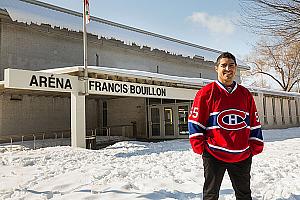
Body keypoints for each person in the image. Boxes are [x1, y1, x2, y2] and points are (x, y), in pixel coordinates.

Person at [188, 52, 264, 200]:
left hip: (241, 154)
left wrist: (254, 146)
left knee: (244, 195)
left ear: (235, 69)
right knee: (211, 195)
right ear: (216, 68)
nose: (227, 69)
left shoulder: (245, 94)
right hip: (214, 154)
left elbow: (254, 122)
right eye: (223, 65)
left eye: (231, 65)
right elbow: (195, 122)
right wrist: (201, 147)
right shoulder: (205, 93)